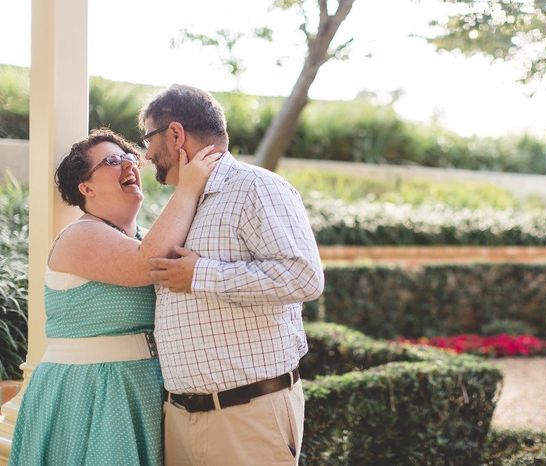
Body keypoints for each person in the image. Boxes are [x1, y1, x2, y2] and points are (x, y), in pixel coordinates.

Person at [9, 128, 220, 466]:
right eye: (111, 161)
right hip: (90, 391)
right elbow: (146, 264)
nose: (127, 165)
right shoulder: (80, 236)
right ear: (86, 188)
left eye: (129, 158)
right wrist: (189, 186)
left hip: (143, 388)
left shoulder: (147, 237)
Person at [140, 84, 324, 466]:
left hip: (246, 416)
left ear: (175, 134)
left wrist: (200, 274)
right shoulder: (186, 201)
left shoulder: (258, 187)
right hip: (180, 419)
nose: (146, 153)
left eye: (148, 138)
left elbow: (304, 277)